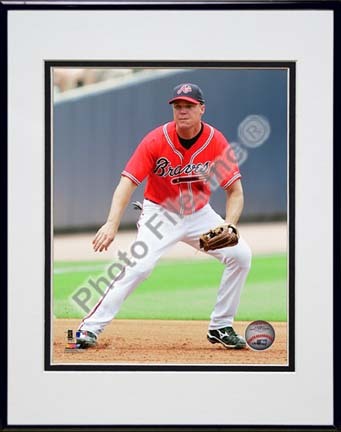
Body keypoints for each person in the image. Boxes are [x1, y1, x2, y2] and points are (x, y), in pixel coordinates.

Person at [76, 83, 252, 350]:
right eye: (178, 106)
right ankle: (89, 328)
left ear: (202, 109)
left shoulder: (216, 141)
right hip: (160, 213)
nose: (182, 111)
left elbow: (235, 191)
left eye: (189, 106)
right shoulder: (156, 140)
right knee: (139, 266)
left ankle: (221, 325)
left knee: (241, 256)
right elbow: (127, 182)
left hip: (200, 214)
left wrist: (230, 224)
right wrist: (112, 223)